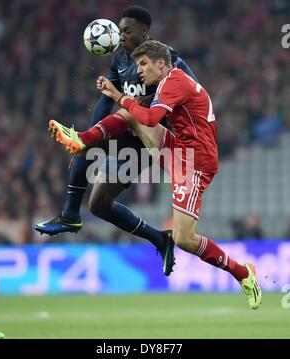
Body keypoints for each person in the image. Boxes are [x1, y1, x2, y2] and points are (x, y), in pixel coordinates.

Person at [49, 40, 262, 309]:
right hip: (179, 149)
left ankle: (243, 273)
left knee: (184, 238)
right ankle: (81, 139)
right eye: (138, 65)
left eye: (143, 64)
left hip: (194, 162)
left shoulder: (175, 81)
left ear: (161, 63)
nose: (139, 71)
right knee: (129, 114)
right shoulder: (166, 82)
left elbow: (151, 120)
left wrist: (116, 94)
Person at [35, 5, 197, 276]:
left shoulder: (164, 57)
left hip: (153, 139)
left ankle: (70, 216)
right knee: (98, 204)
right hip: (127, 135)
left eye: (127, 31)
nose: (121, 36)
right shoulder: (120, 59)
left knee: (89, 144)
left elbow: (190, 88)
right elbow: (104, 101)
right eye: (120, 30)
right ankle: (160, 239)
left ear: (144, 31)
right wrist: (89, 135)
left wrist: (156, 99)